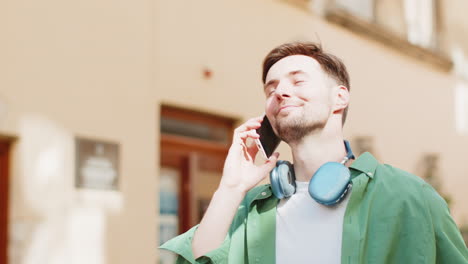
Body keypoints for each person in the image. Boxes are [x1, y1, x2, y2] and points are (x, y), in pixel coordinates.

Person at [160, 42, 468, 263]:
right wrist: (232, 186)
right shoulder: (251, 210)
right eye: (271, 89)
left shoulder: (411, 198)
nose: (280, 92)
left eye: (298, 80)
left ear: (340, 97)